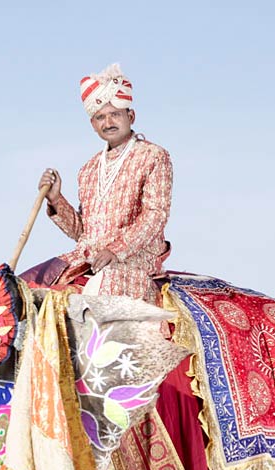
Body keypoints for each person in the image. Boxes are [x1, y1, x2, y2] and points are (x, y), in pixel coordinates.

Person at [38, 64, 172, 304]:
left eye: (115, 114)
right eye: (100, 117)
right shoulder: (88, 170)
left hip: (132, 261)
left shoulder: (153, 156)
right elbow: (83, 233)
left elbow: (155, 216)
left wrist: (116, 250)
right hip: (88, 259)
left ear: (130, 116)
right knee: (33, 288)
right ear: (93, 124)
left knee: (100, 295)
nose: (108, 122)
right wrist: (57, 200)